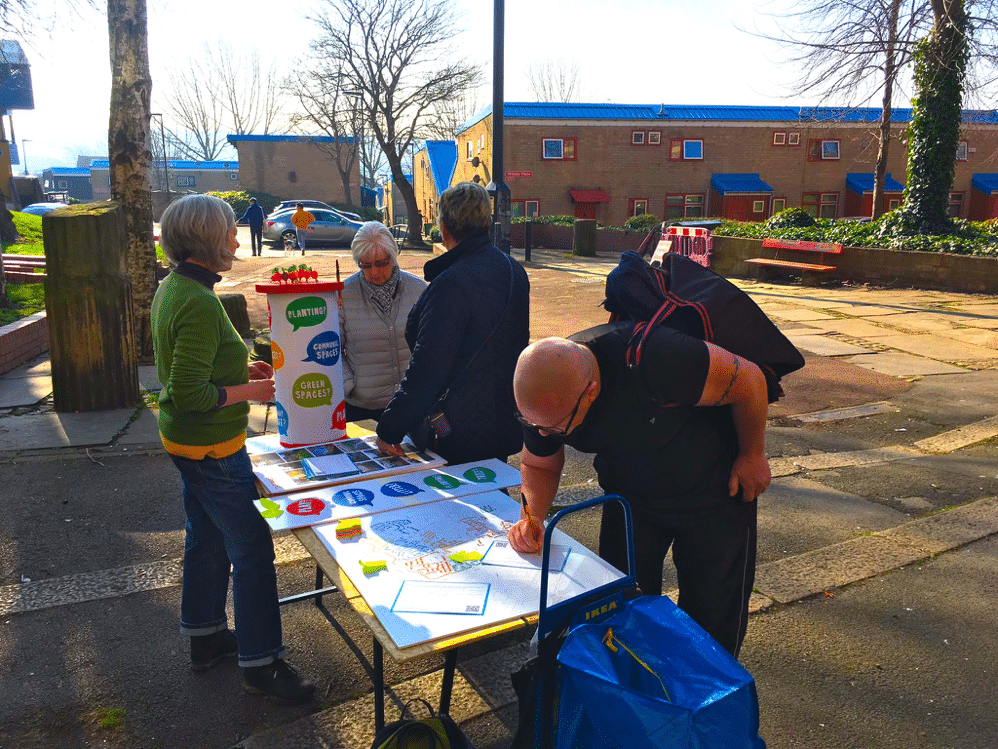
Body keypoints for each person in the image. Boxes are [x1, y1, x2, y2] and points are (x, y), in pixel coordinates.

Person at [507, 326, 771, 658]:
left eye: (556, 425)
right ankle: (637, 697)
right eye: (534, 425)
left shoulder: (657, 356)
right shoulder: (540, 394)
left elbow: (750, 380)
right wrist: (531, 517)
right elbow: (539, 463)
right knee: (619, 609)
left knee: (712, 618)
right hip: (629, 498)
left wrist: (752, 455)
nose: (544, 433)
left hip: (712, 489)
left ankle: (703, 702)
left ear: (590, 391)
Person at [151, 194, 315, 705]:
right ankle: (261, 663)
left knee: (206, 539)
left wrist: (239, 370)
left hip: (186, 443)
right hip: (213, 448)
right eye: (228, 230)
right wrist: (251, 392)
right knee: (252, 549)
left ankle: (205, 639)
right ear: (206, 239)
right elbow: (191, 392)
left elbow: (190, 370)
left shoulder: (175, 287)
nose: (237, 237)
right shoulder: (199, 302)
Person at [375, 181, 530, 465]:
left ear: (444, 228)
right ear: (488, 223)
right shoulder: (513, 270)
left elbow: (429, 364)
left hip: (456, 427)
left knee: (458, 504)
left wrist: (389, 428)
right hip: (503, 417)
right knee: (494, 493)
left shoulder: (451, 284)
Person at [340, 221, 427, 423]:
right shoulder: (343, 295)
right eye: (365, 265)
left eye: (381, 263)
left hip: (411, 405)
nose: (374, 272)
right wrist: (349, 385)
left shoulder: (419, 289)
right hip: (362, 408)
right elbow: (333, 348)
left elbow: (432, 345)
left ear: (393, 257)